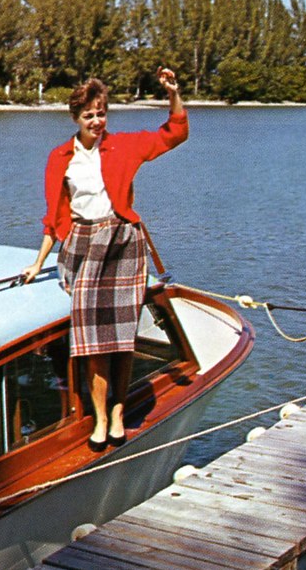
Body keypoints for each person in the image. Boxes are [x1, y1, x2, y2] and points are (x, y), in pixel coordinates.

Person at [21, 68, 186, 451]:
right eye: (89, 115)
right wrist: (37, 262)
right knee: (92, 342)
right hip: (83, 246)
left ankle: (117, 412)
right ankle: (98, 417)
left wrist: (173, 94)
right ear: (75, 119)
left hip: (123, 243)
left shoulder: (125, 145)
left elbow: (174, 132)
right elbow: (53, 216)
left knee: (121, 340)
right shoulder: (59, 157)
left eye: (101, 113)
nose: (97, 121)